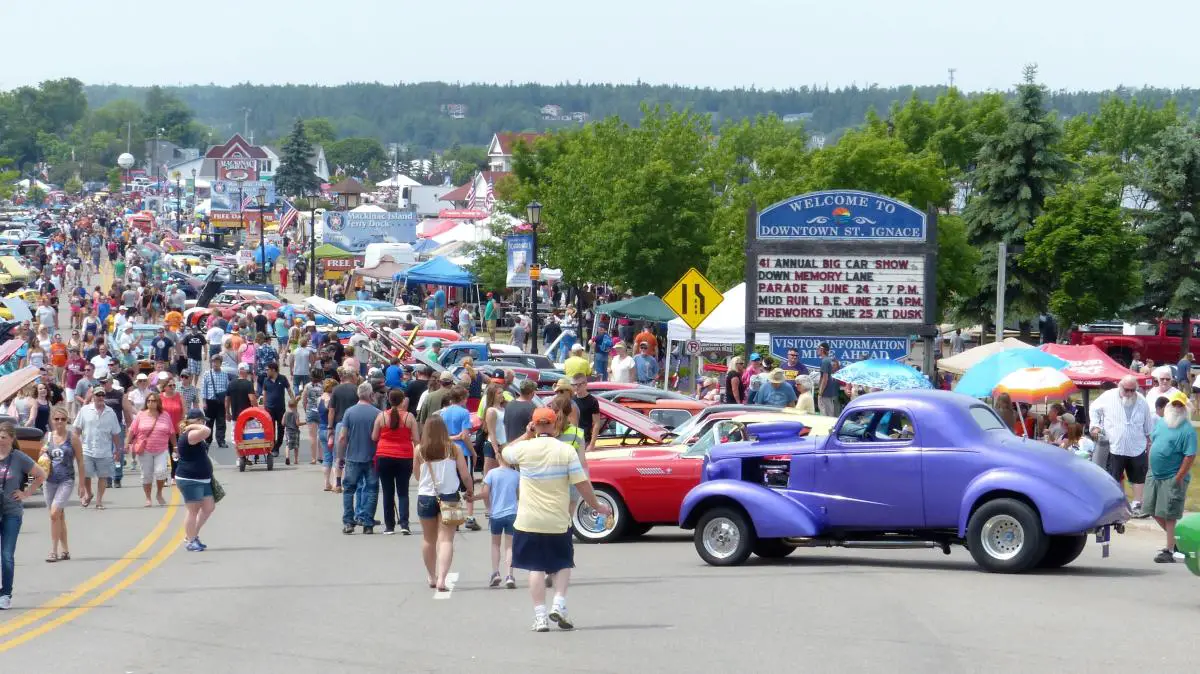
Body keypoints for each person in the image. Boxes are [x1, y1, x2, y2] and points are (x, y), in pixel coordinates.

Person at [502, 407, 611, 632]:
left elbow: (505, 452)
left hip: (528, 519)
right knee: (562, 563)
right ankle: (559, 604)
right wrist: (596, 506)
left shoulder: (524, 449)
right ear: (554, 425)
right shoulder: (566, 451)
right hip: (557, 519)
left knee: (535, 568)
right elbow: (582, 484)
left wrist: (526, 434)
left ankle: (540, 617)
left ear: (534, 424)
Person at [414, 416, 472, 591]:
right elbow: (465, 473)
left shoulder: (419, 450)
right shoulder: (453, 449)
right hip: (449, 496)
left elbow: (417, 475)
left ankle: (432, 576)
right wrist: (469, 489)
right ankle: (442, 579)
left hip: (426, 496)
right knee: (446, 539)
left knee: (428, 539)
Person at [1090, 375, 1155, 517]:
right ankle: (1118, 503)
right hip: (1115, 444)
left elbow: (1148, 423)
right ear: (1120, 387)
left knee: (1138, 476)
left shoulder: (1141, 401)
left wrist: (1150, 438)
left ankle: (1138, 504)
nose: (1130, 393)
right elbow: (1094, 408)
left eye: (1133, 390)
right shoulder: (1108, 396)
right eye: (1127, 390)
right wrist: (1095, 426)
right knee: (1115, 475)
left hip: (1136, 445)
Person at [1143, 391, 1196, 562]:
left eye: (1180, 405)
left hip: (1173, 476)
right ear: (1169, 406)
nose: (1177, 408)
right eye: (1174, 404)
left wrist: (1178, 478)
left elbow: (1190, 456)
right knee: (1152, 510)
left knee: (1169, 514)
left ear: (1185, 408)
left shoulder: (1187, 430)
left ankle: (1170, 550)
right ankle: (1176, 542)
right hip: (1154, 475)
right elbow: (1152, 442)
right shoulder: (1161, 424)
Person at [0, 421, 48, 610]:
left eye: (3, 438)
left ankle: (6, 594)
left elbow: (41, 474)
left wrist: (26, 493)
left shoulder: (19, 458)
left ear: (12, 439)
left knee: (6, 555)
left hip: (11, 512)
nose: (0, 441)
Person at [40, 405, 83, 563]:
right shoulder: (48, 436)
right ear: (52, 420)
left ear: (67, 421)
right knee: (58, 516)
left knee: (53, 514)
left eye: (63, 419)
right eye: (56, 419)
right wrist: (43, 452)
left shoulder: (73, 437)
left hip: (66, 480)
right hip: (49, 480)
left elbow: (80, 460)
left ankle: (53, 551)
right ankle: (65, 550)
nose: (59, 422)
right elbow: (42, 456)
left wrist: (82, 485)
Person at [337, 382, 381, 534]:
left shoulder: (349, 412)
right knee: (372, 489)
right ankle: (368, 523)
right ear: (370, 395)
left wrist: (340, 456)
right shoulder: (377, 413)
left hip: (353, 456)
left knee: (349, 490)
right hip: (371, 456)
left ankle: (349, 522)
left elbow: (342, 436)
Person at [373, 389, 419, 535]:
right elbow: (417, 439)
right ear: (402, 400)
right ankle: (404, 523)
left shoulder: (381, 416)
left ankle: (389, 526)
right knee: (403, 492)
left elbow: (374, 437)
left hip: (384, 455)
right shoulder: (408, 417)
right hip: (404, 456)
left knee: (388, 492)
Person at [475, 448, 519, 589]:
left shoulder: (491, 474)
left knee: (495, 544)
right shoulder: (516, 475)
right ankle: (510, 575)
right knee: (509, 546)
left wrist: (473, 498)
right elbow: (520, 496)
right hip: (512, 513)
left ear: (497, 456)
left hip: (496, 514)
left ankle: (496, 572)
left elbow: (485, 494)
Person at [440, 386, 481, 530]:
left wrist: (451, 437)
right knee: (468, 483)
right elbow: (465, 435)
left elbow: (442, 434)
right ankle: (470, 516)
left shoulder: (443, 413)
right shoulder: (464, 412)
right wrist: (473, 452)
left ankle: (453, 515)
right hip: (462, 451)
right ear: (463, 398)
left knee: (452, 483)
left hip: (447, 450)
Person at [74, 386, 121, 510]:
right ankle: (89, 493)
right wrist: (73, 446)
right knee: (86, 475)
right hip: (87, 448)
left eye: (102, 395)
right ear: (93, 396)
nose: (100, 397)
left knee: (103, 476)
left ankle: (99, 501)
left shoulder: (110, 412)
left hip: (105, 450)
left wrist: (117, 449)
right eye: (97, 395)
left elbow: (115, 433)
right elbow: (77, 429)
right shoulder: (84, 410)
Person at [175, 409, 216, 552]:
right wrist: (192, 426)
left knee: (209, 506)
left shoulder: (194, 433)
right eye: (201, 420)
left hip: (202, 478)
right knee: (193, 510)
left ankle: (192, 534)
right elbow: (207, 431)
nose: (203, 422)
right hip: (190, 478)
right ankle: (190, 540)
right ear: (196, 421)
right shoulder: (191, 434)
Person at [127, 391, 174, 508]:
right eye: (148, 401)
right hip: (145, 450)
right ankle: (148, 497)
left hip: (161, 449)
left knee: (161, 471)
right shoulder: (140, 415)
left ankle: (159, 493)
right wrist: (127, 443)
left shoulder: (165, 415)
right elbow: (132, 430)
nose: (150, 403)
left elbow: (171, 432)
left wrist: (176, 447)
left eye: (153, 401)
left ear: (158, 402)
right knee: (147, 474)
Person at [261, 362, 292, 459]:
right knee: (271, 429)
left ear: (273, 370)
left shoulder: (282, 378)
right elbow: (264, 394)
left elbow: (289, 391)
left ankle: (278, 446)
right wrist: (262, 407)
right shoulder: (266, 380)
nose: (266, 371)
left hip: (280, 408)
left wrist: (293, 402)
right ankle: (273, 447)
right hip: (269, 408)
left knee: (281, 428)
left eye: (268, 369)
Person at [200, 358, 231, 448]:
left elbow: (227, 388)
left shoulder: (224, 374)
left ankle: (221, 441)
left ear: (221, 363)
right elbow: (203, 389)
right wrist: (204, 402)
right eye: (213, 362)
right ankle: (208, 441)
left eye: (217, 362)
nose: (215, 364)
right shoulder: (207, 374)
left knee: (221, 422)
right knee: (209, 422)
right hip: (210, 402)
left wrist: (227, 402)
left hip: (221, 402)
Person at [483, 383, 507, 476]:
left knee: (502, 476)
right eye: (499, 393)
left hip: (504, 445)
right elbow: (491, 432)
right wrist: (496, 451)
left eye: (502, 392)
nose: (502, 395)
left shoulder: (503, 409)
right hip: (493, 446)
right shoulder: (491, 411)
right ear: (493, 395)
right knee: (489, 477)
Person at [816, 343, 842, 417]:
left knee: (825, 415)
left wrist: (820, 392)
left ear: (822, 349)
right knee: (830, 413)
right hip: (830, 392)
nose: (817, 351)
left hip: (825, 393)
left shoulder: (825, 361)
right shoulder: (828, 360)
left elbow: (825, 378)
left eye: (818, 349)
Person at [282, 398, 301, 467]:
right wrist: (304, 423)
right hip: (295, 431)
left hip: (288, 431)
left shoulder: (285, 413)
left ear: (288, 406)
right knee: (296, 446)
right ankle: (296, 460)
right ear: (296, 406)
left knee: (287, 445)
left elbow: (282, 423)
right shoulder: (296, 414)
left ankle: (287, 457)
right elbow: (297, 423)